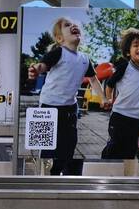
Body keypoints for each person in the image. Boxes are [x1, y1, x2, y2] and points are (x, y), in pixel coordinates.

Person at [28, 16, 96, 175]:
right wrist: (36, 69)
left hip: (69, 108)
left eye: (74, 24)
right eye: (67, 25)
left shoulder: (84, 59)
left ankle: (65, 173)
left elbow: (93, 80)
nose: (73, 26)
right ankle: (45, 177)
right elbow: (43, 65)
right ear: (59, 38)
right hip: (47, 106)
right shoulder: (58, 52)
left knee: (69, 145)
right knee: (46, 149)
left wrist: (105, 98)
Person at [101, 28, 139, 160]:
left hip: (136, 118)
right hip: (120, 115)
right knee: (115, 147)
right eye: (136, 45)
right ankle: (104, 167)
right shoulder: (125, 67)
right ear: (128, 52)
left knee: (130, 150)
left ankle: (125, 176)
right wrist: (108, 99)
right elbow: (110, 84)